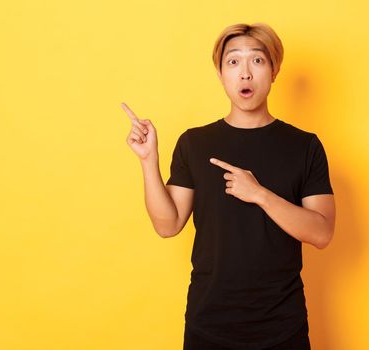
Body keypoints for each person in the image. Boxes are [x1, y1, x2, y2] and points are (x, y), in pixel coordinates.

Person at [121, 22, 336, 350]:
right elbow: (167, 225)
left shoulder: (304, 146)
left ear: (275, 70)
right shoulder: (195, 144)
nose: (245, 73)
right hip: (209, 326)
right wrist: (149, 160)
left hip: (282, 327)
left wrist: (259, 194)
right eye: (233, 62)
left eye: (258, 61)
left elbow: (321, 233)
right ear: (220, 73)